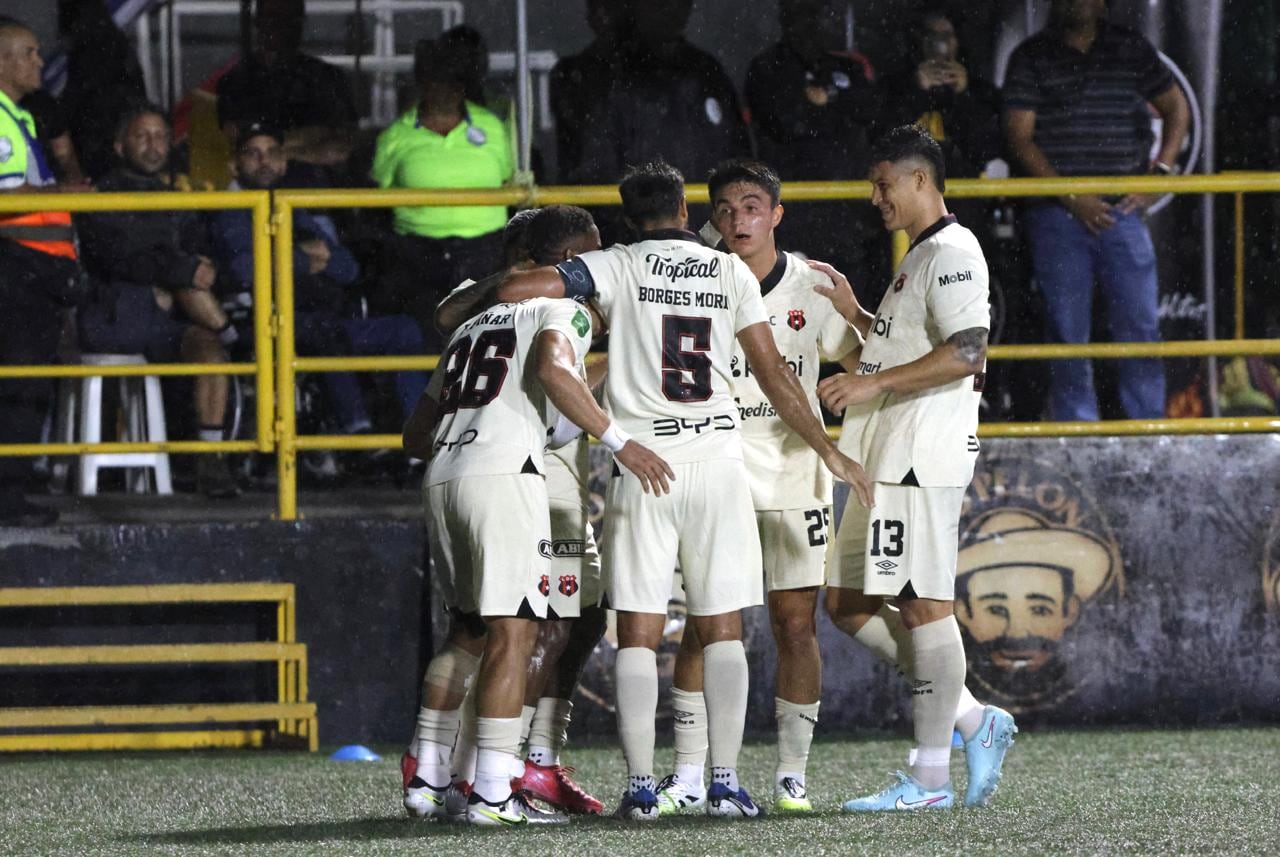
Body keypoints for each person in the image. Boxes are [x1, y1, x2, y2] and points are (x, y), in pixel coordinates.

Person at [437, 160, 874, 821]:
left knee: (639, 633)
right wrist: (828, 447)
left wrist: (487, 289)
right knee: (723, 629)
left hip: (645, 464)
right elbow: (773, 373)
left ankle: (642, 788)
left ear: (627, 218)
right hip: (718, 462)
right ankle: (725, 783)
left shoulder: (614, 264)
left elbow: (523, 288)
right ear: (684, 210)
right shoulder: (726, 269)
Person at [401, 255, 672, 827]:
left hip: (444, 475)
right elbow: (554, 375)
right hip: (507, 478)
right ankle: (493, 790)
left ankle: (431, 775)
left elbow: (415, 436)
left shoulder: (470, 327)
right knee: (518, 631)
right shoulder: (563, 308)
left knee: (470, 629)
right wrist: (620, 442)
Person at [814, 124, 1015, 811]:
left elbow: (967, 351)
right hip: (884, 456)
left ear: (921, 179)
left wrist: (869, 384)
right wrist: (854, 313)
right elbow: (907, 347)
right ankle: (972, 718)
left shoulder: (953, 251)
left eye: (884, 184)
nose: (876, 197)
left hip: (918, 457)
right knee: (847, 603)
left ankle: (930, 779)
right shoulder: (921, 255)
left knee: (925, 607)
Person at [655, 159, 863, 816]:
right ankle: (689, 774)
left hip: (795, 475)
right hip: (716, 473)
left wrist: (856, 317)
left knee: (795, 625)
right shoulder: (695, 280)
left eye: (751, 206)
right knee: (706, 626)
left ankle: (791, 775)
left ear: (776, 214)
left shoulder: (811, 285)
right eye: (724, 208)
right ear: (710, 218)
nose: (738, 219)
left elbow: (863, 362)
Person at [1003, 0, 1190, 422]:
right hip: (1056, 214)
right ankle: (1077, 431)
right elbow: (1019, 138)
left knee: (1140, 326)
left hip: (1121, 210)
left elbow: (1177, 107)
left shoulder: (1129, 47)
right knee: (1067, 332)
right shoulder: (1033, 54)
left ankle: (1147, 429)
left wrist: (1159, 173)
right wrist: (1071, 197)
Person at [208, 122, 427, 444]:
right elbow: (244, 270)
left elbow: (347, 268)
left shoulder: (293, 206)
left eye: (272, 153)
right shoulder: (227, 210)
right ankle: (357, 436)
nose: (264, 161)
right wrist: (303, 257)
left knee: (404, 330)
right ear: (234, 165)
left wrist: (300, 258)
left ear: (284, 163)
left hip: (320, 319)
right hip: (263, 326)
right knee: (325, 334)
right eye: (253, 154)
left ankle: (419, 441)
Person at [75, 105, 239, 498]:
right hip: (117, 318)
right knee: (189, 282)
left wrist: (187, 269)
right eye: (142, 136)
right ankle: (237, 338)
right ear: (120, 145)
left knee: (209, 349)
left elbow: (201, 254)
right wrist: (177, 271)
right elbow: (120, 257)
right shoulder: (102, 195)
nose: (154, 145)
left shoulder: (175, 198)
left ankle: (210, 459)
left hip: (167, 321)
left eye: (162, 136)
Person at [370, 33, 514, 349]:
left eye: (454, 82)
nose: (446, 90)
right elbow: (378, 190)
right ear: (423, 83)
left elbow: (509, 178)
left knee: (485, 337)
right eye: (437, 81)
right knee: (423, 336)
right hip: (418, 254)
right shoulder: (396, 136)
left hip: (484, 251)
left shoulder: (492, 127)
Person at [0, 16, 89, 525]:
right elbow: (9, 196)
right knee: (21, 385)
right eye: (30, 53)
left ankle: (11, 491)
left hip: (35, 269)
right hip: (20, 268)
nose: (39, 61)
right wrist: (66, 192)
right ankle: (7, 500)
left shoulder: (20, 116)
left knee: (26, 384)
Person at [745, 0, 884, 300]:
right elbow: (784, 123)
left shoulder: (847, 66)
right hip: (795, 212)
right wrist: (829, 111)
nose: (809, 25)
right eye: (800, 15)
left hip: (847, 214)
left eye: (815, 16)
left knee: (851, 306)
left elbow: (870, 109)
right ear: (785, 19)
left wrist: (827, 98)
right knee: (795, 305)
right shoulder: (768, 67)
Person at [572, 0, 750, 189]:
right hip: (646, 206)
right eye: (660, 3)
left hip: (706, 203)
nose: (672, 9)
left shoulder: (707, 71)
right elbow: (599, 169)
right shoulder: (616, 75)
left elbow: (738, 155)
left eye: (680, 2)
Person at [215, 0, 357, 167]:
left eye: (293, 20)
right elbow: (233, 149)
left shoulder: (328, 78)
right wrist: (309, 138)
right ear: (258, 22)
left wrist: (277, 149)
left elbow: (344, 146)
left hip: (318, 180)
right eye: (274, 18)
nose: (284, 28)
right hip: (256, 181)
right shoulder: (234, 82)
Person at [879, 6, 999, 183]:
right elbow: (884, 144)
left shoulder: (979, 90)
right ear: (918, 39)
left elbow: (985, 151)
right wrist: (917, 90)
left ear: (959, 41)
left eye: (947, 36)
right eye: (932, 35)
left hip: (962, 189)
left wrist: (963, 95)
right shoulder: (893, 86)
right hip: (905, 187)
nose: (941, 45)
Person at [56, 0, 147, 181]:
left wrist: (57, 117)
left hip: (100, 137)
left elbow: (77, 95)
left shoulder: (90, 45)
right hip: (117, 134)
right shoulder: (113, 42)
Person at [549, 0, 627, 182]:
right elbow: (578, 131)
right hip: (586, 186)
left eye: (610, 8)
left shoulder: (653, 71)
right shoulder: (567, 73)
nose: (603, 16)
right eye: (595, 8)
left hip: (642, 187)